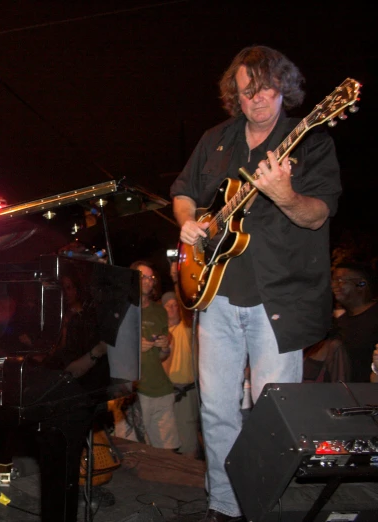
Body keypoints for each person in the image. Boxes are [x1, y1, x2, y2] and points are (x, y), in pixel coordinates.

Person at [171, 46, 341, 521]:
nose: (259, 100)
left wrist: (285, 195)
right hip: (215, 296)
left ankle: (267, 509)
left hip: (278, 299)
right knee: (217, 411)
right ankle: (223, 506)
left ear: (283, 89)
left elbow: (317, 214)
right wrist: (188, 223)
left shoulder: (310, 141)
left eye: (266, 89)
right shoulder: (216, 139)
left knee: (273, 418)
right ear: (236, 97)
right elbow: (183, 192)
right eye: (248, 92)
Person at [130, 261, 180, 451]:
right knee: (136, 453)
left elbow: (162, 356)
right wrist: (134, 347)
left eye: (151, 277)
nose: (148, 281)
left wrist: (165, 346)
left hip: (161, 388)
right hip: (133, 392)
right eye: (143, 276)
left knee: (168, 452)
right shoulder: (122, 310)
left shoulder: (160, 311)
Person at [161, 291, 200, 458]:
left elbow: (187, 308)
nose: (173, 308)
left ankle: (191, 478)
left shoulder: (187, 329)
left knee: (188, 440)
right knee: (164, 441)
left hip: (185, 393)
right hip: (163, 396)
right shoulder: (158, 332)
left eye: (175, 305)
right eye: (168, 305)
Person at [330, 261, 378, 382]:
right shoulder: (338, 323)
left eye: (340, 280)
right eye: (333, 280)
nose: (334, 285)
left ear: (361, 284)